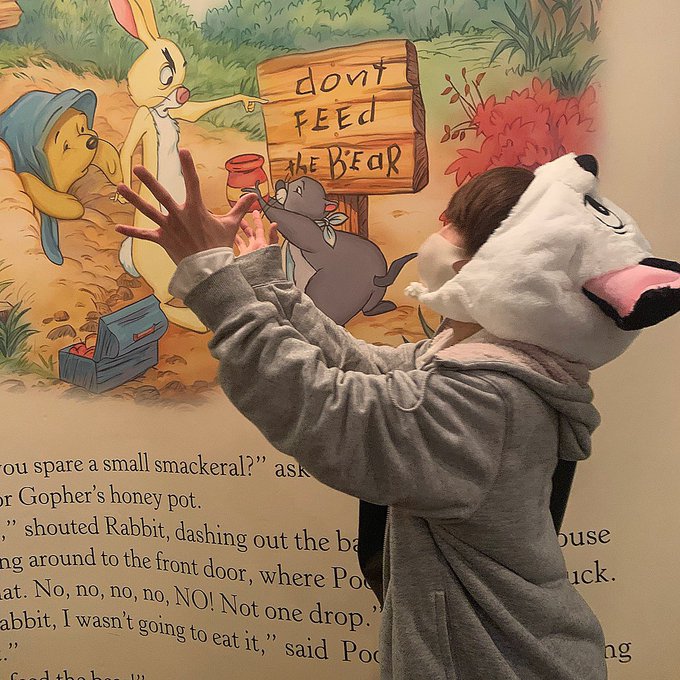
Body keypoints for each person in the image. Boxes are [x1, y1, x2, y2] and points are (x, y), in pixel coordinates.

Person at [115, 149, 674, 680]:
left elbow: (325, 406)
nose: (438, 228)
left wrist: (210, 277)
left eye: (453, 224)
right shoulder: (492, 362)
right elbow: (360, 366)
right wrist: (262, 279)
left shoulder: (490, 400)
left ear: (498, 264)